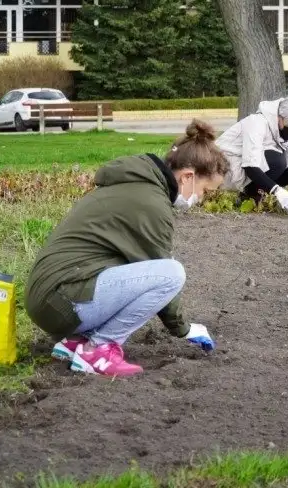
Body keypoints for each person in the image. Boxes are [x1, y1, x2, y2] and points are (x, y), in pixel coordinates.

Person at [25, 119, 229, 377]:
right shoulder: (152, 204)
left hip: (48, 298)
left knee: (139, 266)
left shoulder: (135, 185)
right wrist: (184, 329)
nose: (201, 199)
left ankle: (78, 341)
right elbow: (161, 273)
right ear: (188, 176)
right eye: (205, 191)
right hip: (61, 300)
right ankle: (99, 349)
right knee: (171, 274)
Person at [215, 92, 288, 213]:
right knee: (277, 161)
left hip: (247, 170)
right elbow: (250, 165)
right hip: (223, 169)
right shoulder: (257, 122)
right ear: (280, 117)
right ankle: (248, 195)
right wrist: (277, 191)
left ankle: (257, 192)